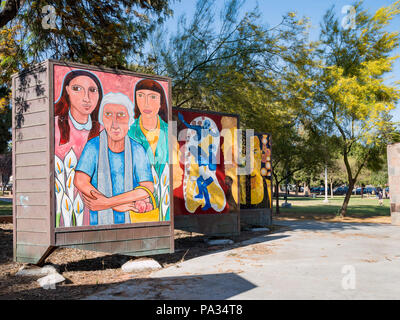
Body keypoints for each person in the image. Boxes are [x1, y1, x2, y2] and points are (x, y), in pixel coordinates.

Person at [74, 92, 154, 226]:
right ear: (102, 120)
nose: (114, 123)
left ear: (130, 120)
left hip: (132, 221)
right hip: (97, 224)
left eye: (121, 115)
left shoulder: (137, 149)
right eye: (108, 115)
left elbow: (147, 187)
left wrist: (107, 203)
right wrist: (117, 204)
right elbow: (80, 180)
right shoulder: (93, 146)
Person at [128, 79, 169, 220]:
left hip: (167, 202)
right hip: (141, 204)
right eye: (140, 95)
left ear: (161, 102)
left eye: (153, 97)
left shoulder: (170, 131)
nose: (146, 103)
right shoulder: (129, 133)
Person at [55, 70, 103, 159]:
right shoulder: (54, 126)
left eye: (92, 90)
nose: (86, 98)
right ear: (67, 90)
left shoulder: (103, 131)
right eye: (77, 89)